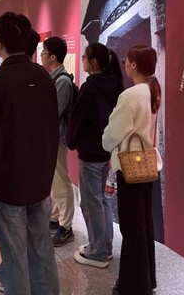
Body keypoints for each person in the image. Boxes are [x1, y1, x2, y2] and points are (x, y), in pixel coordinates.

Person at [0, 11, 60, 295]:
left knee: (13, 257)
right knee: (42, 249)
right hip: (41, 180)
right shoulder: (45, 78)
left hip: (8, 184)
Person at [102, 45, 163, 295]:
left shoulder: (130, 96)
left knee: (131, 229)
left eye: (126, 60)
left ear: (134, 64)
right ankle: (146, 281)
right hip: (148, 166)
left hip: (130, 169)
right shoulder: (152, 90)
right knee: (144, 225)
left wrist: (106, 141)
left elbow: (111, 136)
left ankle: (133, 286)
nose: (124, 63)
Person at [66, 42, 123, 268]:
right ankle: (104, 246)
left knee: (91, 203)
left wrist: (70, 140)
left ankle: (97, 251)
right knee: (103, 200)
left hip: (90, 152)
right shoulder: (115, 84)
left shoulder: (90, 86)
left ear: (94, 62)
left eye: (84, 57)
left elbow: (78, 119)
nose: (82, 61)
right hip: (107, 152)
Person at [40, 36, 76, 247]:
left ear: (53, 57)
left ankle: (67, 225)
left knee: (61, 181)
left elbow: (54, 111)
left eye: (44, 52)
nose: (42, 55)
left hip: (57, 138)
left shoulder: (61, 81)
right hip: (51, 137)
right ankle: (55, 217)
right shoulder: (53, 78)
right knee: (54, 180)